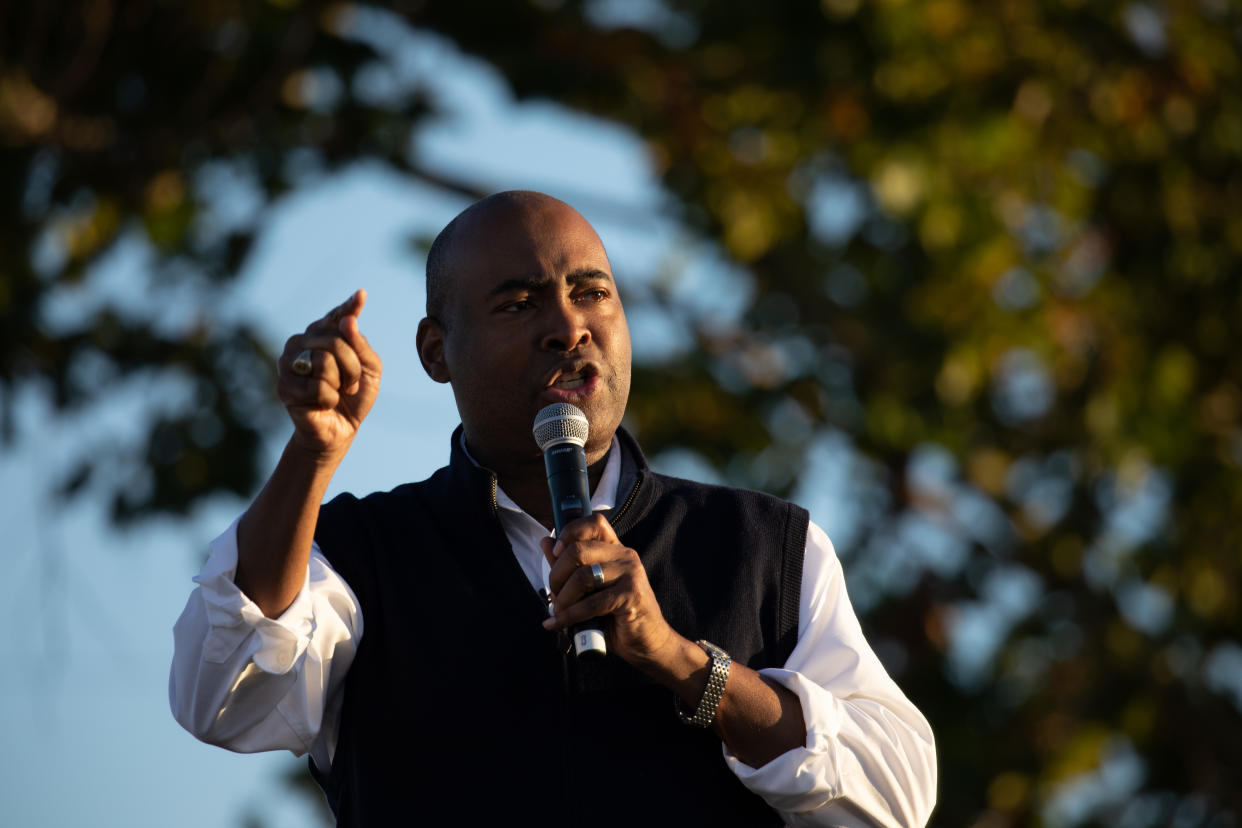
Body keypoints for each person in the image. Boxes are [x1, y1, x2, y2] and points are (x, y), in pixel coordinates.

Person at [170, 191, 936, 826]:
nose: (569, 327)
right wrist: (312, 454)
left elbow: (897, 796)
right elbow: (223, 695)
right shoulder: (363, 552)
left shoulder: (766, 547)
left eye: (592, 292)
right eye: (517, 303)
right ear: (437, 352)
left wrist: (679, 660)